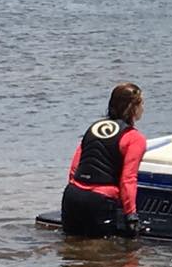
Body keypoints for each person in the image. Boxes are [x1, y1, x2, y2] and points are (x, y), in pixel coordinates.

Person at [62, 82, 147, 238]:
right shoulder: (134, 138)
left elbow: (74, 167)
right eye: (142, 103)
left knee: (71, 248)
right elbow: (128, 179)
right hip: (100, 200)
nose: (143, 108)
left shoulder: (94, 128)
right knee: (103, 254)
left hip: (72, 196)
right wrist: (131, 215)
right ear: (133, 108)